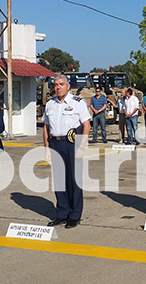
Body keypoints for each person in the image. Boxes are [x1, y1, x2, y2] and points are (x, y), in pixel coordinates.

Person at [43, 74, 91, 229]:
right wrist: (46, 147)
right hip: (55, 144)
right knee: (59, 181)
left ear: (68, 86)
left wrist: (81, 147)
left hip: (72, 144)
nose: (58, 87)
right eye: (56, 84)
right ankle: (62, 213)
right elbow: (46, 127)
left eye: (61, 84)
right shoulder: (50, 104)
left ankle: (74, 215)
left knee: (73, 180)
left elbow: (86, 125)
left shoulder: (77, 102)